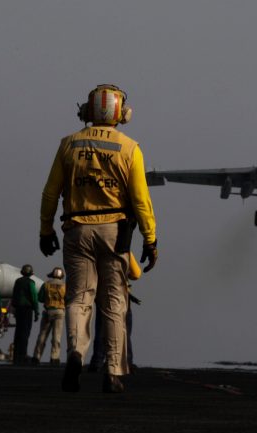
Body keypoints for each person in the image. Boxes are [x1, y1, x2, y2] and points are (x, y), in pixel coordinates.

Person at [39, 83, 157, 394]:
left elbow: (51, 192)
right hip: (114, 232)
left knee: (78, 299)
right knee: (114, 303)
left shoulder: (68, 144)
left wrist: (45, 229)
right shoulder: (130, 147)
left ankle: (76, 353)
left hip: (76, 229)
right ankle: (114, 372)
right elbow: (141, 200)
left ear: (88, 111)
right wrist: (150, 238)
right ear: (122, 113)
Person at [89, 252, 142, 374]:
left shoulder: (96, 249)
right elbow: (136, 274)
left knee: (101, 329)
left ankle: (97, 361)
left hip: (102, 294)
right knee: (124, 330)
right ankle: (126, 362)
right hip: (121, 294)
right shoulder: (125, 249)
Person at [31, 267, 66, 365]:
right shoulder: (65, 286)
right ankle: (54, 358)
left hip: (48, 311)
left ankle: (36, 357)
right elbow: (67, 299)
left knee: (42, 335)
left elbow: (40, 298)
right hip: (59, 312)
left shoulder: (46, 284)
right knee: (56, 337)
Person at [11, 264, 39, 364]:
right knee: (25, 333)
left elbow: (14, 295)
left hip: (18, 309)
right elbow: (34, 297)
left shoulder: (17, 281)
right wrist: (36, 311)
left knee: (18, 332)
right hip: (27, 310)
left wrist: (14, 308)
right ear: (31, 273)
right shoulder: (31, 283)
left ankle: (16, 355)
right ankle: (23, 355)